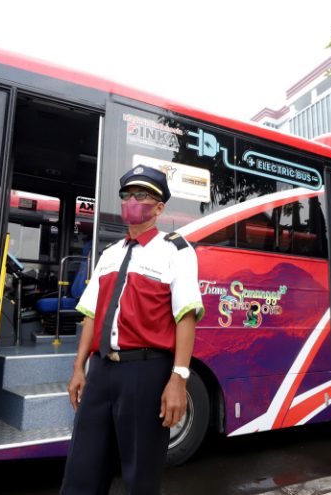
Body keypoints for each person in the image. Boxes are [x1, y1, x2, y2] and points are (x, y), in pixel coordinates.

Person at [60, 165, 205, 495]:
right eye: (127, 195)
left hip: (145, 372)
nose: (132, 201)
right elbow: (91, 315)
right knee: (82, 467)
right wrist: (78, 368)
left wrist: (178, 379)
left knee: (140, 474)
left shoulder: (176, 251)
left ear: (159, 207)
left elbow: (186, 316)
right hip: (101, 371)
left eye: (142, 195)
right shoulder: (109, 254)